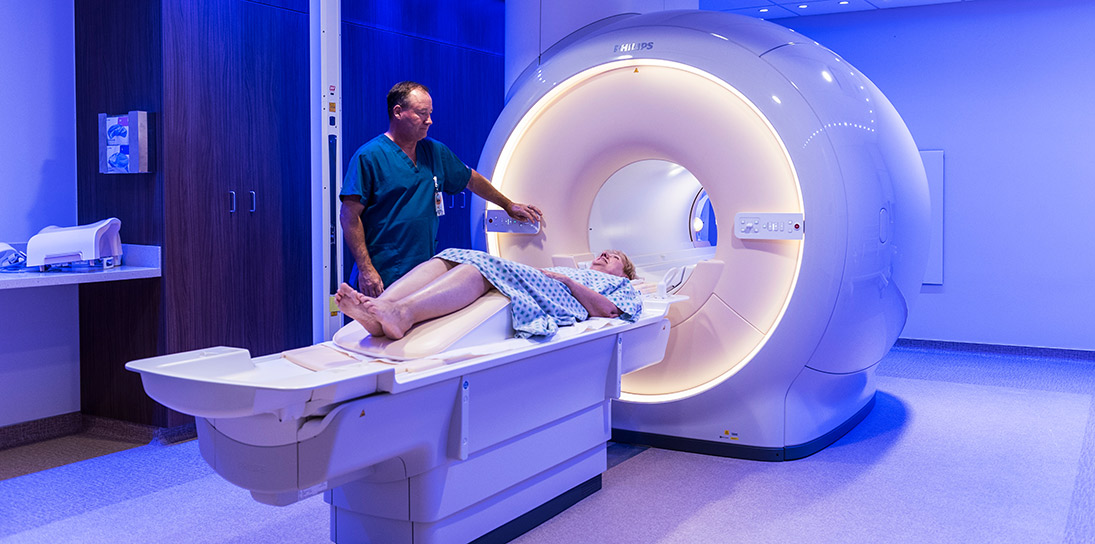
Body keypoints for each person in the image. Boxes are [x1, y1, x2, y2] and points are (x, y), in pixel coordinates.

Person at [340, 81, 542, 297]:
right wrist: (366, 269)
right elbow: (349, 216)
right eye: (422, 113)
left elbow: (470, 179)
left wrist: (508, 205)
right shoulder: (369, 156)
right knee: (376, 317)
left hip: (422, 271)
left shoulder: (435, 151)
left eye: (430, 113)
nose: (429, 120)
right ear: (398, 112)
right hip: (383, 272)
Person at [335, 249, 641, 340]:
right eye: (603, 252)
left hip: (560, 295)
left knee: (477, 268)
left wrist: (566, 280)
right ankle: (382, 308)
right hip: (544, 282)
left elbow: (610, 311)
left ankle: (404, 314)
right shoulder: (574, 270)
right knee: (449, 257)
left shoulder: (622, 287)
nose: (604, 254)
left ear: (625, 274)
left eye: (613, 256)